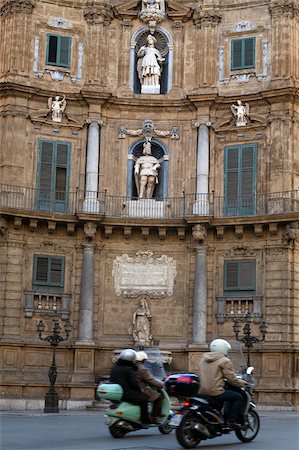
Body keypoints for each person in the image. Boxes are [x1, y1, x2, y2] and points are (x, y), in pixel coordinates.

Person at [199, 338, 247, 428]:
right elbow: (231, 378)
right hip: (216, 391)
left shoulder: (203, 359)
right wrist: (242, 383)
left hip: (202, 391)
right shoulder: (224, 360)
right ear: (223, 349)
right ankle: (231, 421)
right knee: (238, 397)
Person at [110, 348, 154, 424]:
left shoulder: (115, 367)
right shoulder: (129, 369)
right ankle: (145, 419)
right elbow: (133, 382)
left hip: (117, 392)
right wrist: (140, 390)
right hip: (126, 392)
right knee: (144, 399)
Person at [135, 351, 164, 423]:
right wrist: (161, 385)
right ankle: (154, 417)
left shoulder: (132, 366)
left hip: (134, 387)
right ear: (143, 360)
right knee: (159, 397)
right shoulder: (142, 368)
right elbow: (149, 380)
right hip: (141, 389)